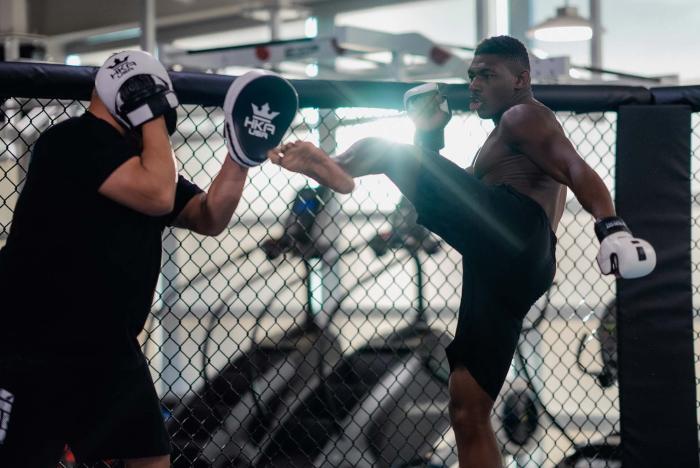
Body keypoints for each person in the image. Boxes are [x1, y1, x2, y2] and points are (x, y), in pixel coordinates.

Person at [267, 35, 655, 467]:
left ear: (521, 79)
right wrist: (431, 137)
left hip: (515, 233)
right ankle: (336, 165)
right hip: (504, 266)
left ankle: (333, 166)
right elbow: (448, 195)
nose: (474, 84)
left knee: (389, 151)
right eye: (471, 76)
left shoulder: (524, 116)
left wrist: (612, 227)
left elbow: (575, 167)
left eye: (487, 75)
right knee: (468, 406)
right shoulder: (497, 144)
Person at [0, 52, 350, 468]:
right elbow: (158, 196)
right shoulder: (71, 140)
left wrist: (240, 158)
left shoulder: (142, 162)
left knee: (150, 459)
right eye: (151, 94)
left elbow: (209, 216)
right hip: (35, 341)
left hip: (110, 348)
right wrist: (152, 116)